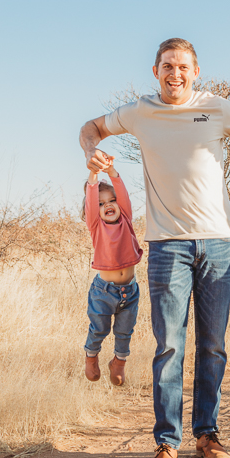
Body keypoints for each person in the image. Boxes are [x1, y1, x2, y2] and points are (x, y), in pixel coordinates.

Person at [79, 38, 230, 458]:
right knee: (169, 345)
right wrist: (92, 153)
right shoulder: (140, 111)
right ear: (155, 70)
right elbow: (90, 127)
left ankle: (207, 435)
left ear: (196, 71)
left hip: (219, 243)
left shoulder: (216, 107)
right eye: (168, 66)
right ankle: (166, 443)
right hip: (167, 246)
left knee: (213, 344)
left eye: (183, 67)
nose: (175, 74)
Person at [81, 162, 143, 386]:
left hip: (130, 291)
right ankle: (91, 356)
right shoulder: (96, 226)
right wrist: (94, 173)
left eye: (111, 200)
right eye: (101, 203)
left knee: (124, 332)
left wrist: (112, 172)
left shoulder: (126, 219)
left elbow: (123, 195)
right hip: (103, 292)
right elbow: (91, 198)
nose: (108, 205)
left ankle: (119, 362)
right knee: (100, 328)